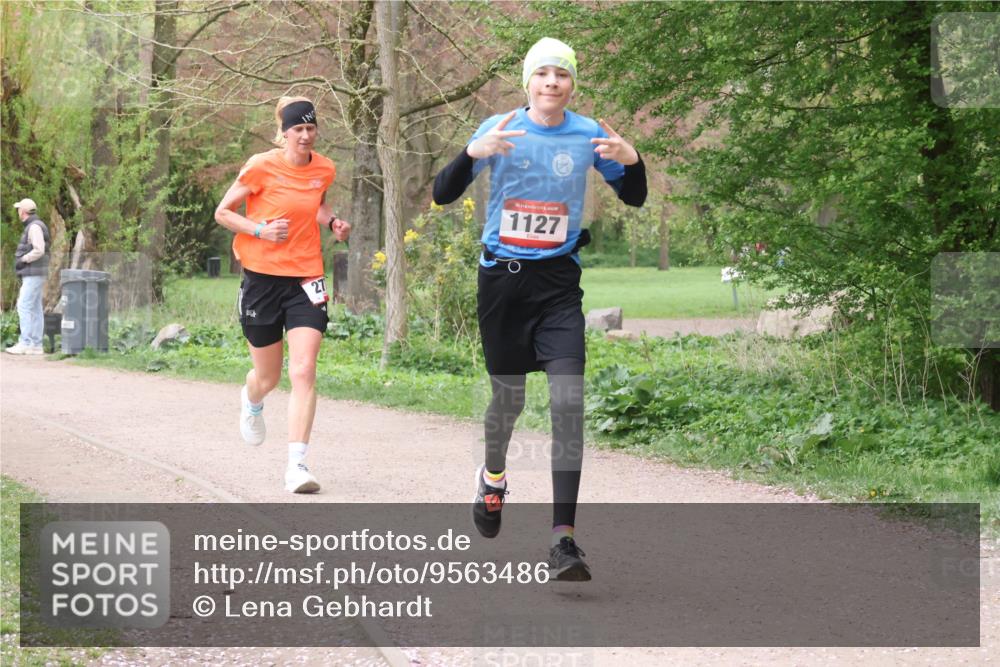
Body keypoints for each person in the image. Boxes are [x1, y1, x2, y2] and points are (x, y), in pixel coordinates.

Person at [432, 37, 647, 580]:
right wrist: (470, 155)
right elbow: (441, 193)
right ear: (527, 81)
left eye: (563, 75)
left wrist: (633, 160)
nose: (553, 82)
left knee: (568, 403)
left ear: (572, 84)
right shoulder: (499, 128)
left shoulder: (590, 133)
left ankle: (564, 541)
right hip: (502, 283)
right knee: (509, 398)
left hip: (557, 284)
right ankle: (494, 478)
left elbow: (636, 197)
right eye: (544, 73)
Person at [215, 96, 350, 493]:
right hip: (262, 280)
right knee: (268, 376)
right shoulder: (261, 166)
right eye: (298, 130)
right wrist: (259, 230)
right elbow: (223, 212)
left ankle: (297, 466)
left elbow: (316, 206)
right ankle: (252, 398)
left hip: (306, 278)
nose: (306, 136)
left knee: (304, 370)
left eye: (311, 129)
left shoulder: (324, 168)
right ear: (285, 133)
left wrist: (334, 222)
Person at [6, 198, 49, 356]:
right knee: (35, 308)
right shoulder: (35, 225)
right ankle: (36, 345)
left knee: (23, 305)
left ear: (22, 212)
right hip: (36, 273)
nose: (17, 212)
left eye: (18, 209)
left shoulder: (34, 227)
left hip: (33, 273)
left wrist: (23, 259)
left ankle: (25, 342)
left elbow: (39, 250)